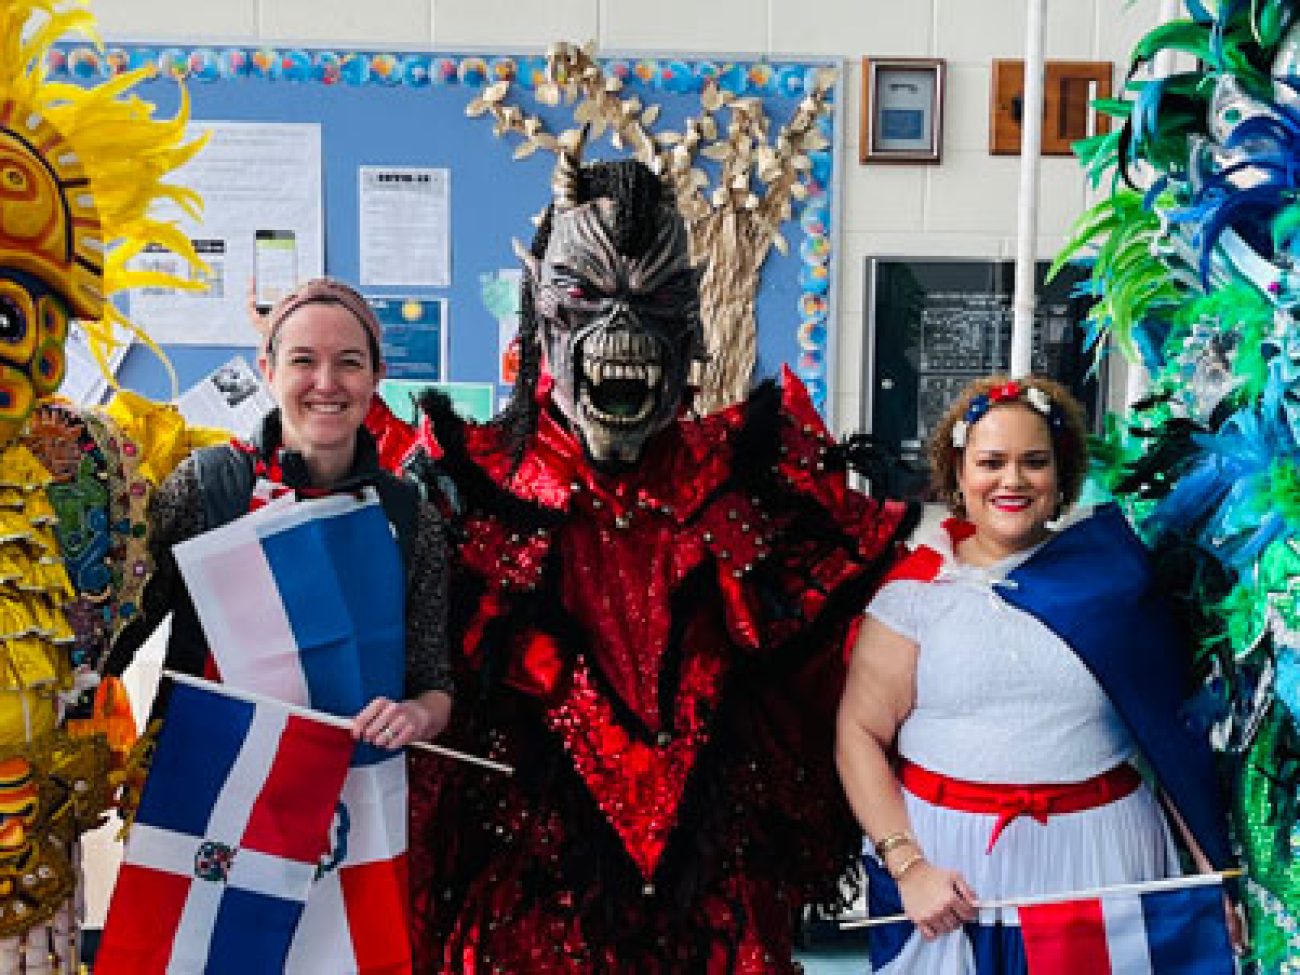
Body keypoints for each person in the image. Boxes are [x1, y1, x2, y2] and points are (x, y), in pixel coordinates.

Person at [403, 152, 915, 973]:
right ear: (541, 308)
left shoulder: (753, 483)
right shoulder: (465, 488)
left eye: (655, 298)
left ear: (691, 320)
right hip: (530, 910)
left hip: (715, 901)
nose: (623, 328)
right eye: (587, 295)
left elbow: (871, 654)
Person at [835, 375, 1239, 973]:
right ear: (958, 471)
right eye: (991, 462)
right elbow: (859, 736)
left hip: (1098, 856)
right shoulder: (914, 593)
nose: (1012, 481)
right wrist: (909, 867)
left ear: (1062, 472)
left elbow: (1167, 731)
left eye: (1034, 462)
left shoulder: (1115, 577)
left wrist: (1212, 877)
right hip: (949, 864)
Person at [108, 277, 452, 748]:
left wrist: (416, 715)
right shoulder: (208, 487)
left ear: (377, 376)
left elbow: (433, 683)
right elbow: (119, 641)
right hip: (203, 785)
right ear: (268, 371)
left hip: (351, 791)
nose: (326, 384)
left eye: (349, 363)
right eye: (303, 361)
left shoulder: (409, 515)